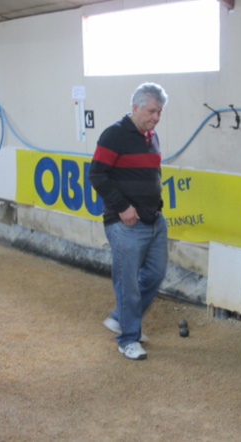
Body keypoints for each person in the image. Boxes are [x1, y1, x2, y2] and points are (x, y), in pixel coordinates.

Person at [88, 83, 169, 360]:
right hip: (125, 223)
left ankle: (122, 317)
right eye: (151, 111)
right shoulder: (114, 135)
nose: (156, 117)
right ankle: (128, 338)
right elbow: (97, 175)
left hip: (154, 219)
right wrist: (123, 207)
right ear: (134, 108)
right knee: (128, 282)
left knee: (156, 274)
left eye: (159, 112)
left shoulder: (152, 137)